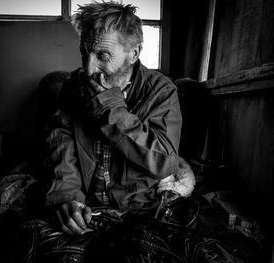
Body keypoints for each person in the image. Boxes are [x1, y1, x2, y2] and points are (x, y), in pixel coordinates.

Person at [43, 0, 183, 236]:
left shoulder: (161, 91)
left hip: (138, 210)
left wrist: (110, 107)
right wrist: (67, 198)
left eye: (103, 55)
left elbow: (164, 163)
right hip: (87, 209)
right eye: (84, 53)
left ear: (134, 53)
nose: (89, 69)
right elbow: (61, 145)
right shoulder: (72, 87)